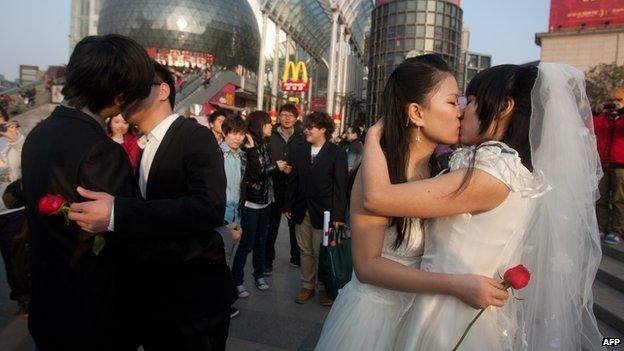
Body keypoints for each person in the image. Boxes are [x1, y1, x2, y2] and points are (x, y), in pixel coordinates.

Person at [361, 63, 603, 350]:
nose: (462, 111)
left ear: (504, 107)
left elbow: (377, 198)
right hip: (444, 305)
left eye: (471, 101)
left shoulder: (495, 171)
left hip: (451, 315)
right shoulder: (499, 167)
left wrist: (373, 137)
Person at [315, 55, 509, 350]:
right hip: (375, 320)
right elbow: (367, 265)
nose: (460, 111)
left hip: (423, 317)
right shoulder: (379, 173)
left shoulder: (444, 170)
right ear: (417, 113)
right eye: (451, 101)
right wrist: (456, 285)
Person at [68, 61, 237, 351]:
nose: (125, 95)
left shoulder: (193, 135)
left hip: (194, 305)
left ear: (163, 91)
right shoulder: (140, 145)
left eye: (136, 87)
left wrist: (117, 213)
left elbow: (208, 206)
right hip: (156, 302)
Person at [21, 34, 153, 350]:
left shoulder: (39, 133)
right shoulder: (101, 150)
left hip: (48, 306)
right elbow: (124, 240)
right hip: (93, 317)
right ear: (121, 96)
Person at [285, 111, 348, 306]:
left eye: (310, 127)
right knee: (304, 250)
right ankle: (307, 286)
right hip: (301, 208)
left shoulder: (336, 153)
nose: (306, 130)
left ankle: (323, 287)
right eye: (306, 126)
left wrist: (338, 216)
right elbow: (293, 180)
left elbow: (340, 187)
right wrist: (288, 205)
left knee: (322, 251)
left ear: (323, 130)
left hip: (325, 212)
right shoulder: (300, 150)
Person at [231, 111, 288, 297]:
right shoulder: (249, 144)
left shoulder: (264, 144)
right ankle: (237, 281)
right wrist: (274, 167)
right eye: (268, 123)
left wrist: (278, 167)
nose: (271, 126)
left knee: (262, 241)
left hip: (266, 200)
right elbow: (254, 173)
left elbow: (265, 169)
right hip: (251, 202)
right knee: (246, 244)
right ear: (259, 125)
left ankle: (259, 275)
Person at [265, 103, 304, 274]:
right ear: (278, 116)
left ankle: (296, 256)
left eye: (290, 115)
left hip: (294, 187)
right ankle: (268, 259)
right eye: (284, 115)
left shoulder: (302, 136)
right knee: (271, 225)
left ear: (296, 118)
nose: (287, 118)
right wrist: (276, 166)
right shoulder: (270, 135)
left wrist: (293, 169)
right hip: (274, 184)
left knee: (294, 224)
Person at [219, 115, 247, 319]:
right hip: (222, 210)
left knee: (229, 257)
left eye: (241, 133)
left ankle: (222, 300)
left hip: (236, 209)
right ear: (224, 132)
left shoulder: (242, 156)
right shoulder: (217, 153)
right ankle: (220, 304)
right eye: (234, 133)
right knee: (221, 258)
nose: (238, 138)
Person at [0, 109, 27, 312]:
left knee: (15, 257)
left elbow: (30, 160)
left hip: (14, 212)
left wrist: (15, 138)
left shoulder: (15, 140)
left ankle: (23, 296)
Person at [594, 87, 624, 245]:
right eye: (612, 100)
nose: (615, 103)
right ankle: (600, 228)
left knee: (619, 200)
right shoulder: (604, 117)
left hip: (621, 165)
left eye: (619, 100)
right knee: (601, 198)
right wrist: (596, 111)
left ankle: (616, 231)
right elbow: (591, 127)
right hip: (603, 163)